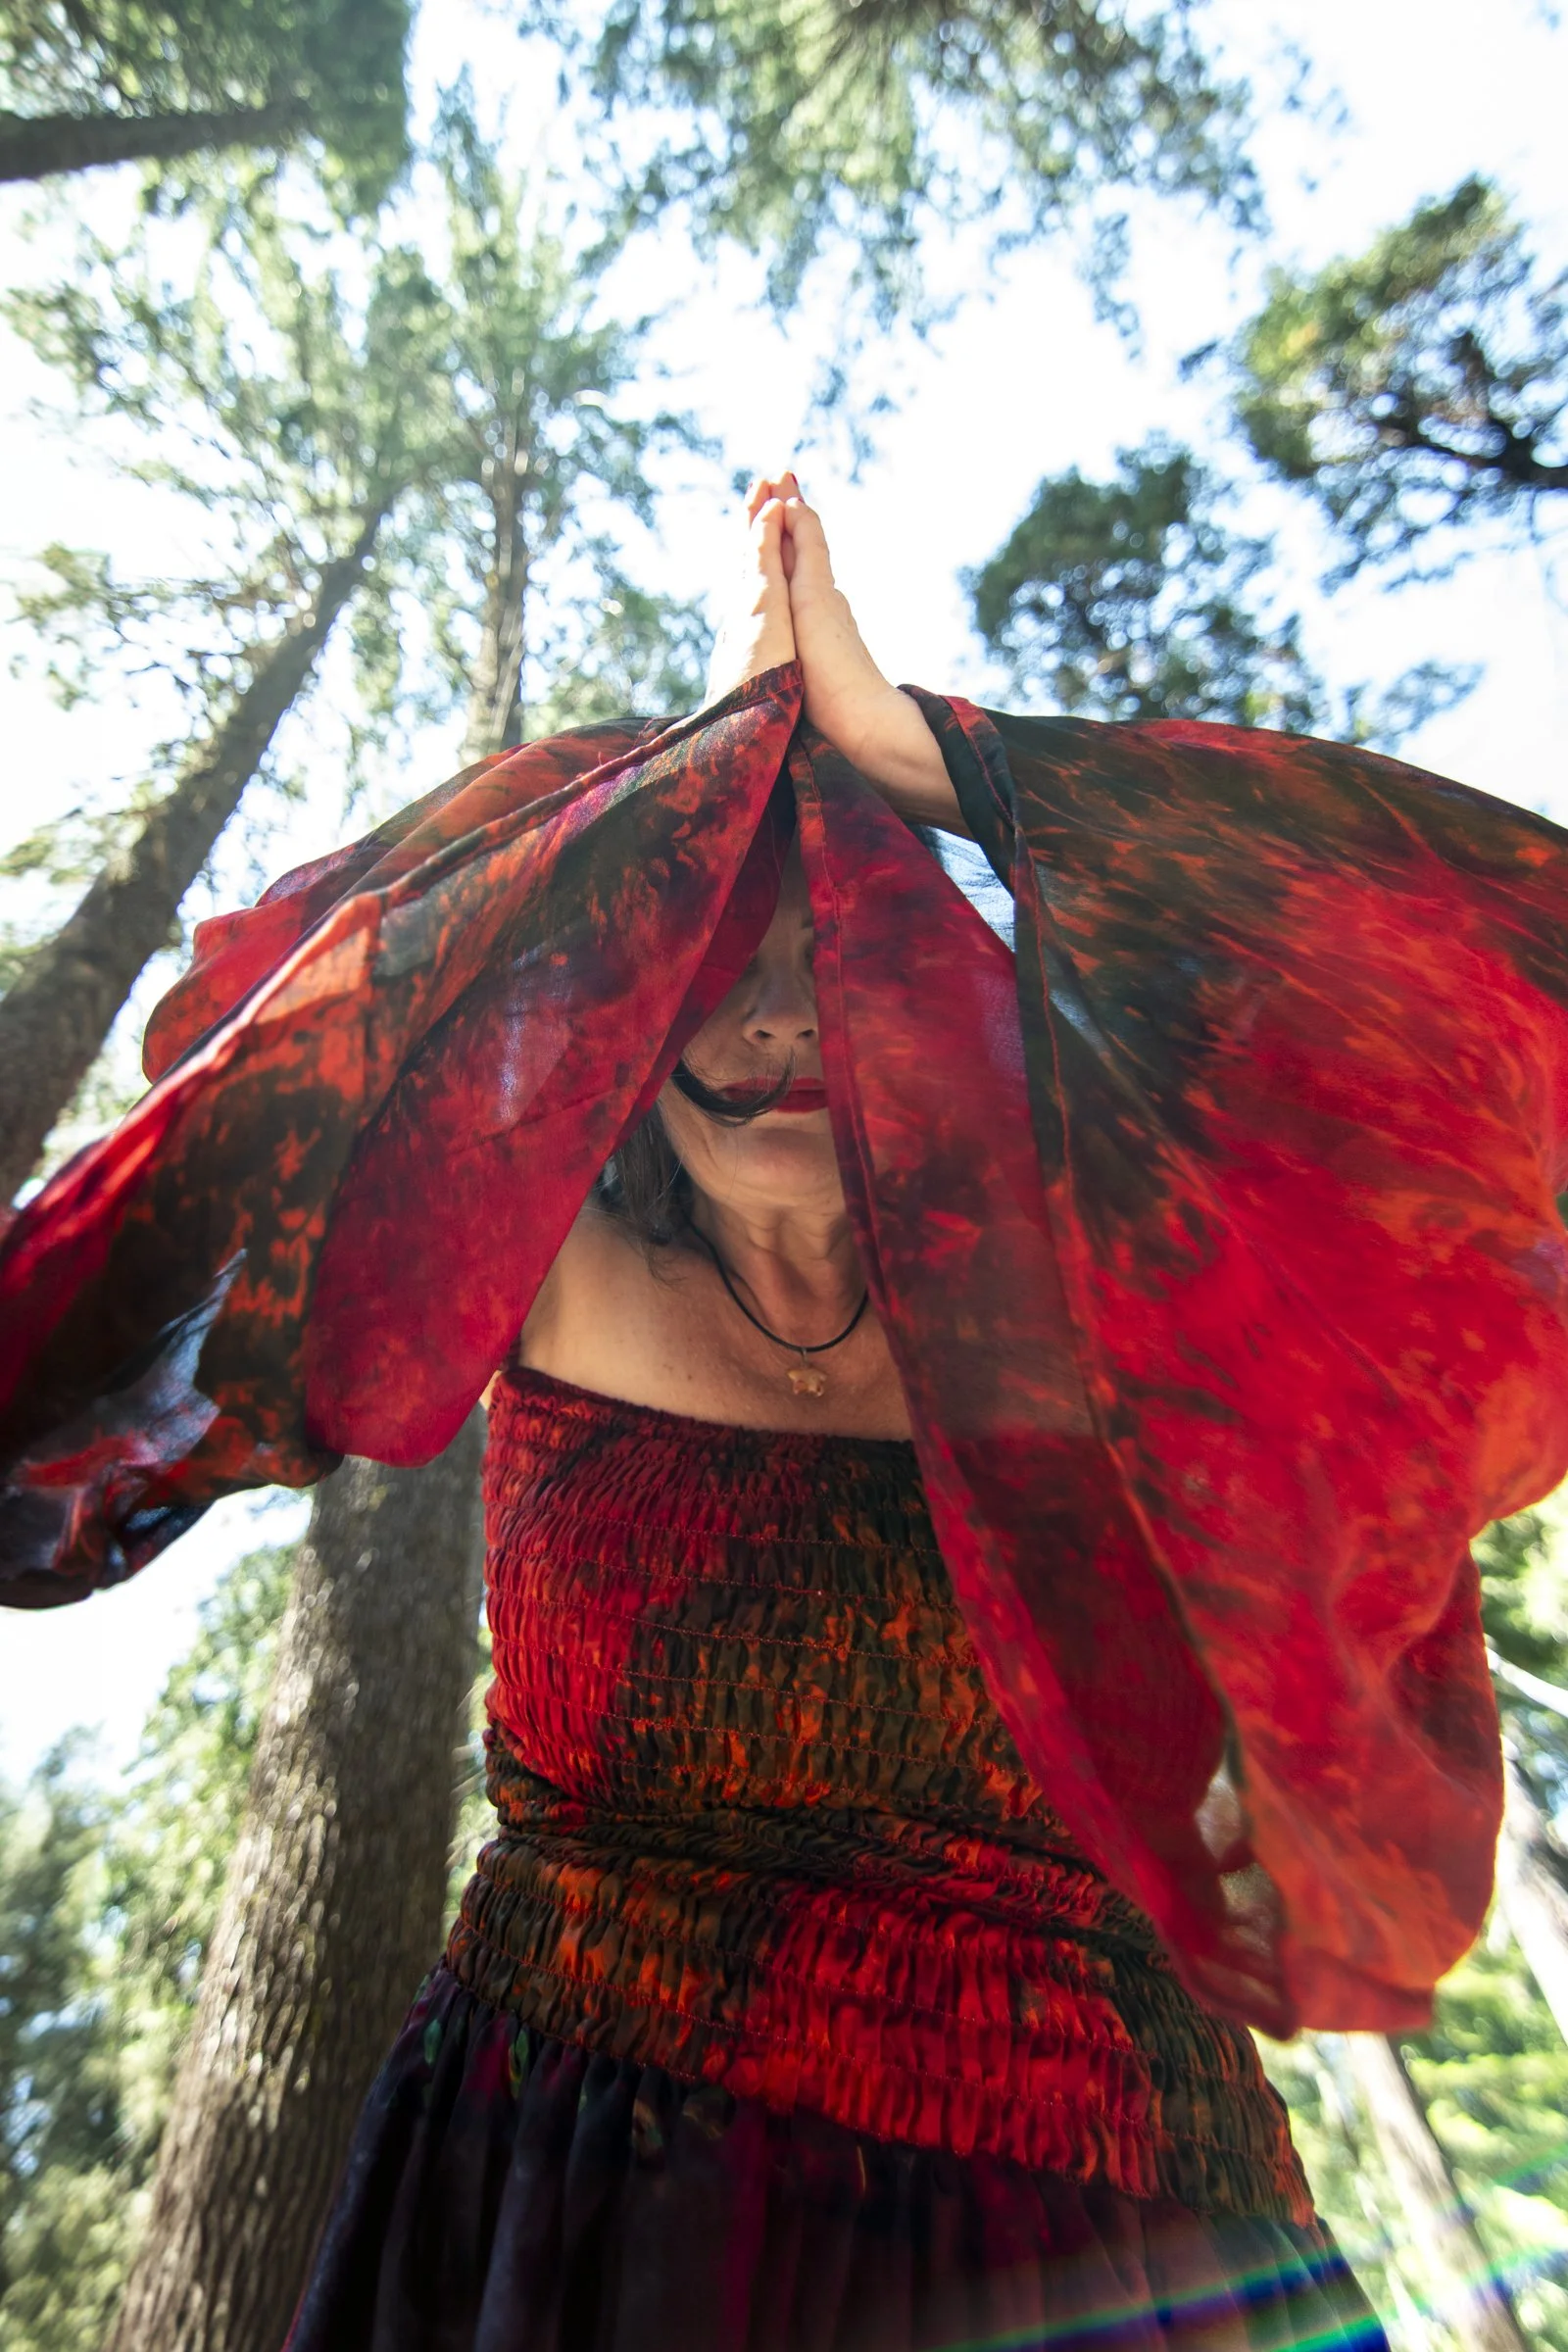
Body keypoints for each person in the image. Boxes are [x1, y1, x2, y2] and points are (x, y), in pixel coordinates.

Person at [277, 477, 1389, 2349]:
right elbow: (332, 1044)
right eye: (722, 957)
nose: (784, 1013)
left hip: (1115, 2227)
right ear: (634, 1016)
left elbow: (1379, 989)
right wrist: (701, 785)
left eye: (836, 951)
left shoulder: (1093, 1327)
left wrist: (926, 764)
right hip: (572, 2196)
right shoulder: (545, 1277)